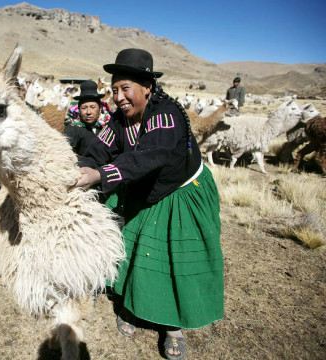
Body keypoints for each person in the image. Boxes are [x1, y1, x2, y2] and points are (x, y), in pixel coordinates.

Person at [76, 48, 224, 360]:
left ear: (148, 87)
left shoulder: (165, 114)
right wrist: (77, 168)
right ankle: (132, 307)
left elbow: (149, 156)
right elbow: (98, 150)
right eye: (114, 90)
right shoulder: (119, 120)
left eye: (125, 88)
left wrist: (100, 176)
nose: (119, 97)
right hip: (144, 188)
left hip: (180, 192)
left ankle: (173, 327)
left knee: (172, 257)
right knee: (131, 247)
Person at [65, 79, 112, 156]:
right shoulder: (73, 128)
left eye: (93, 107)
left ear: (100, 109)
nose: (88, 112)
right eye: (84, 108)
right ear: (79, 110)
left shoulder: (109, 127)